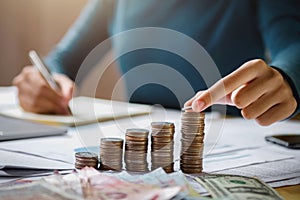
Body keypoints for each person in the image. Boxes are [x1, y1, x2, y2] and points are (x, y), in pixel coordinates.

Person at [13, 0, 300, 125]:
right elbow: (62, 60)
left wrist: (287, 77)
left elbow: (293, 46)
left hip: (236, 139)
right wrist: (44, 81)